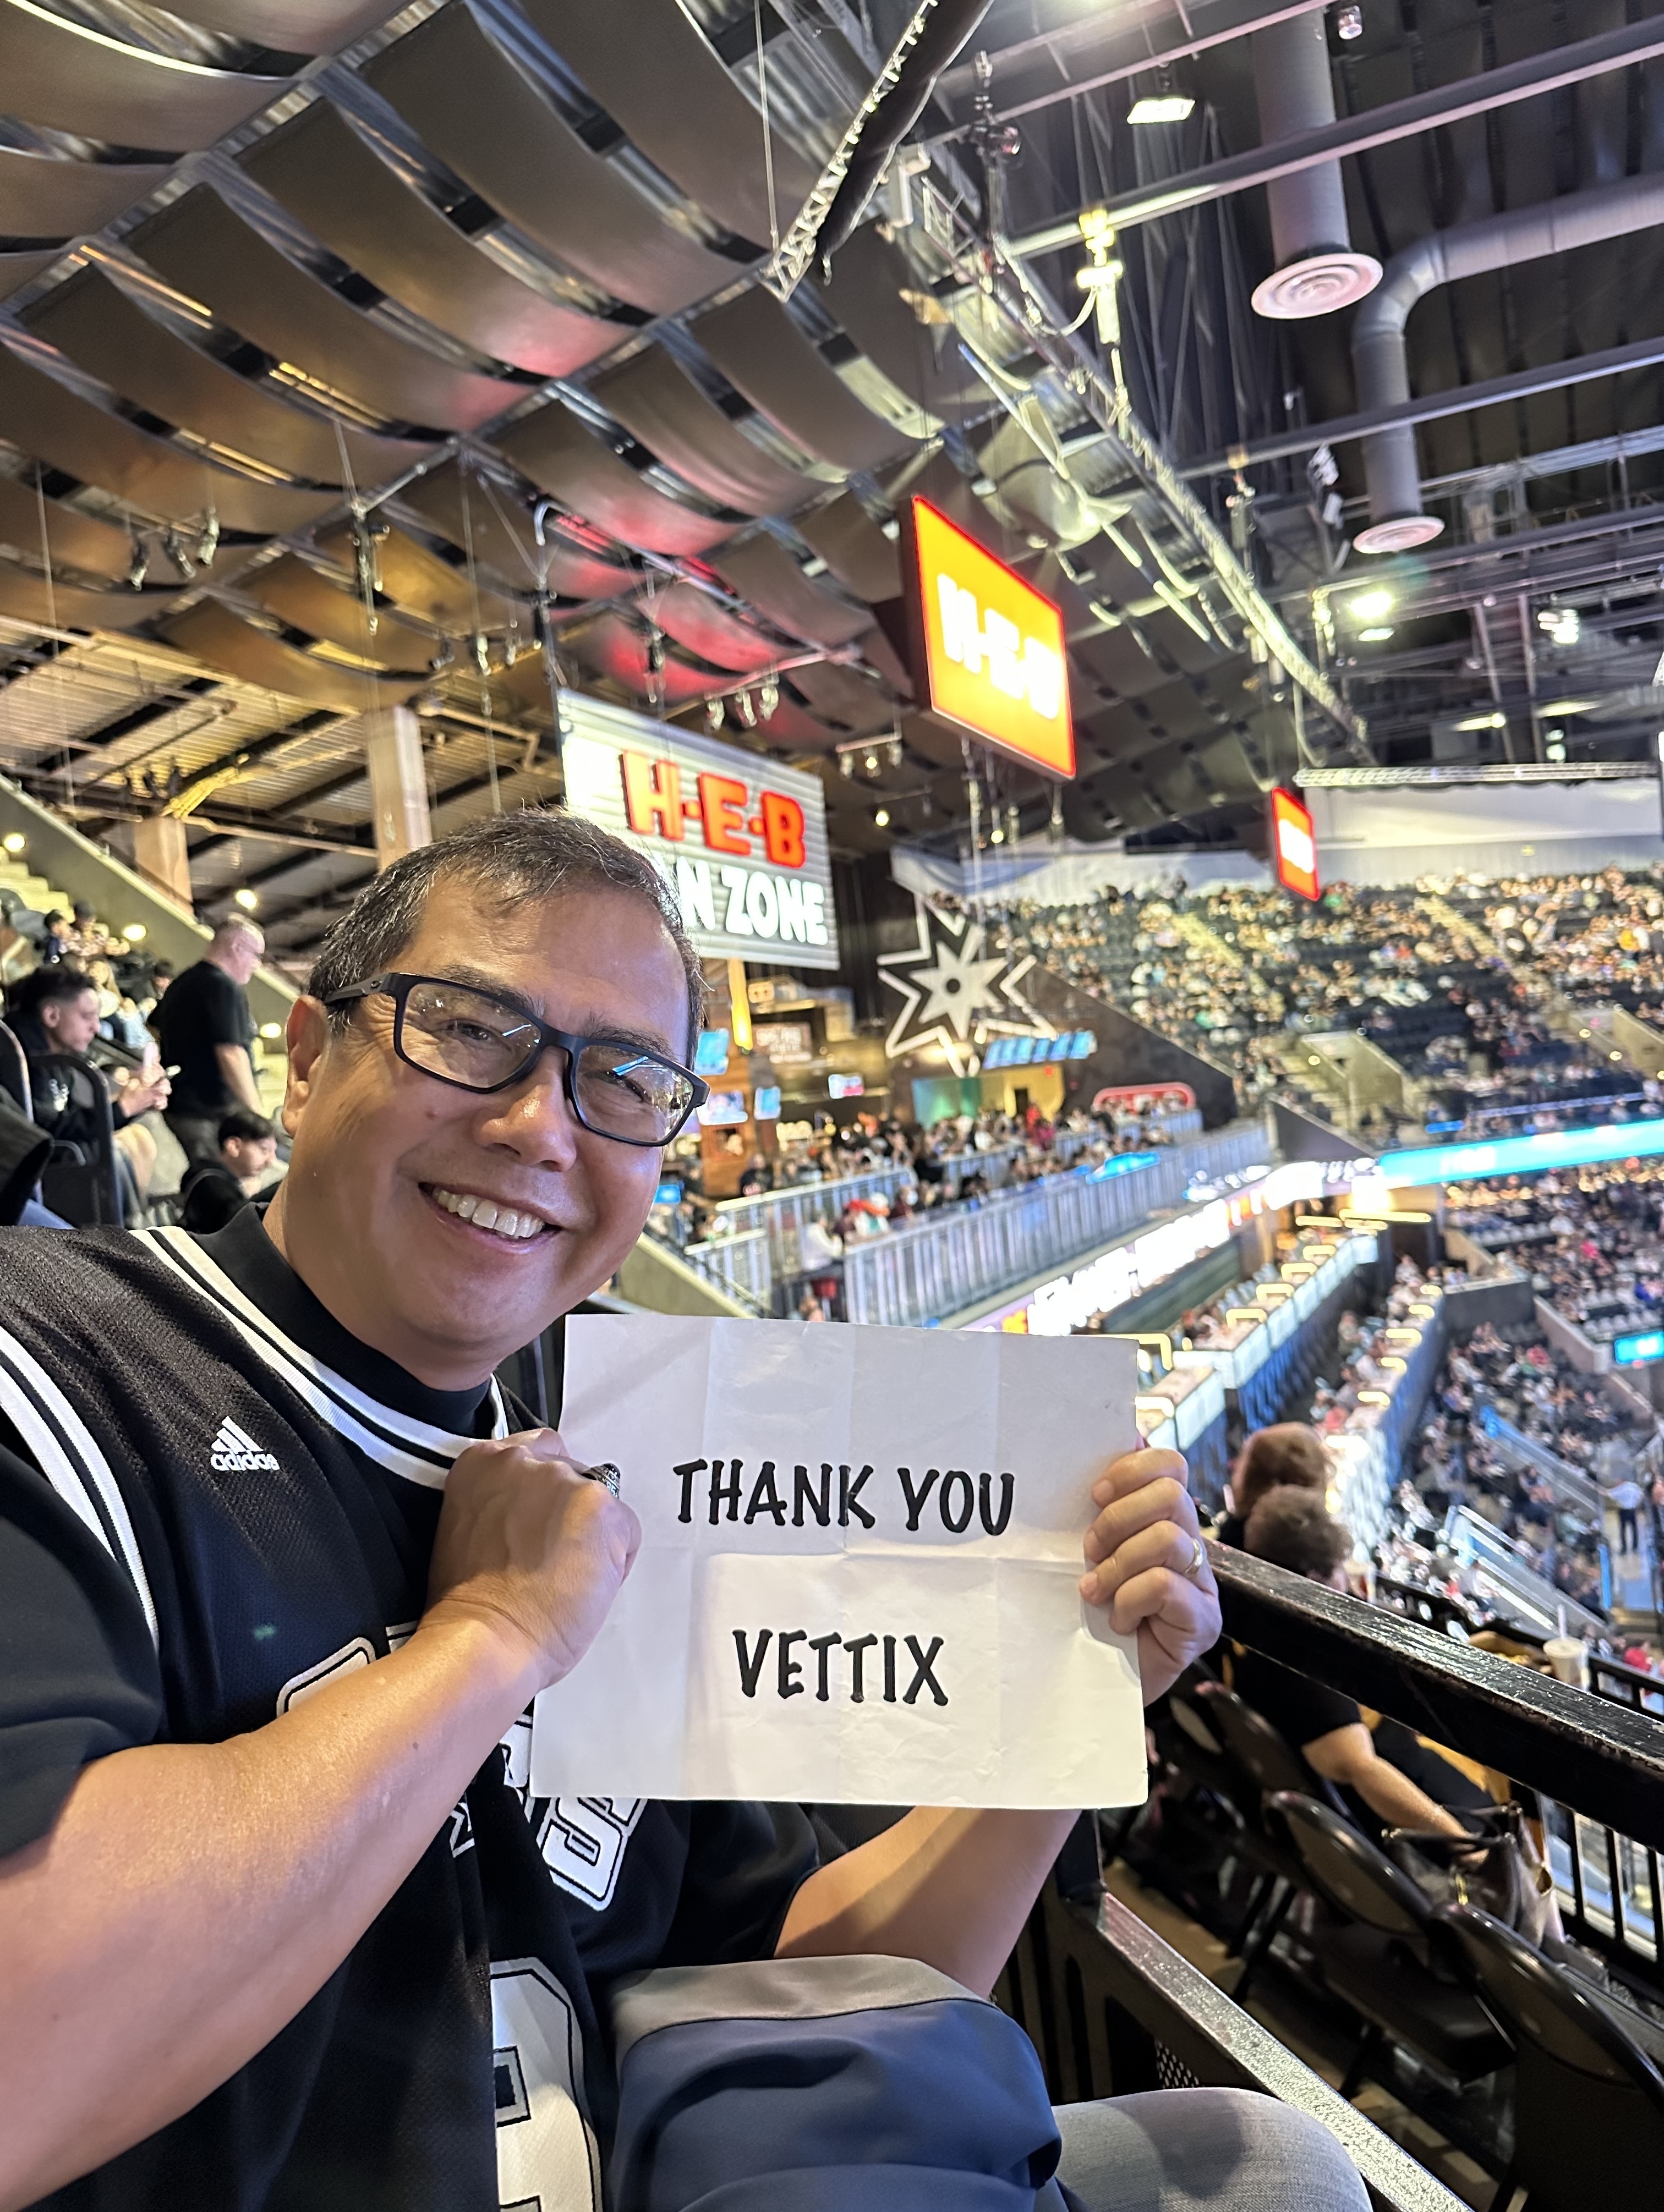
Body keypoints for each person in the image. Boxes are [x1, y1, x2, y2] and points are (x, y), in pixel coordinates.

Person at [0, 812, 1361, 2212]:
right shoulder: (58, 1367)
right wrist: (493, 1635)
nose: (539, 1127)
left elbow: (821, 1995)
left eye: (625, 1080)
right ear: (306, 1057)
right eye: (467, 1030)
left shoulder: (628, 1458)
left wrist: (1069, 1710)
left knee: (1279, 2164)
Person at [1234, 1488, 1492, 1837]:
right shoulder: (1305, 1662)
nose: (1346, 1580)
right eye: (1339, 1569)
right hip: (1402, 1809)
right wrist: (1468, 1846)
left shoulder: (1257, 1615)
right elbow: (1364, 1769)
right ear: (1315, 1579)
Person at [154, 913, 266, 1162]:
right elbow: (231, 1053)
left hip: (181, 1106)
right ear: (237, 948)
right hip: (210, 1112)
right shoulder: (224, 987)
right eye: (256, 955)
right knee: (221, 1180)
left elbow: (154, 1025)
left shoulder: (183, 981)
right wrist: (257, 1114)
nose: (257, 965)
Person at [1212, 1421, 1330, 1550]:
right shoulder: (1316, 1544)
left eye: (1243, 1458)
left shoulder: (1231, 1542)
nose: (1235, 1465)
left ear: (1251, 1478)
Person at [176, 1106, 280, 1233]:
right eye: (264, 1150)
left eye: (274, 1152)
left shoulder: (220, 1180)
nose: (271, 1160)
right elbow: (233, 1223)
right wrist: (281, 1189)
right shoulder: (208, 1180)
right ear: (234, 1146)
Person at [1610, 1475, 1646, 1555]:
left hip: (1624, 1511)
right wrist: (1638, 1505)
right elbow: (1642, 1495)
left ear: (1621, 1481)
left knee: (1623, 1530)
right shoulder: (1634, 1486)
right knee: (1634, 1529)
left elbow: (1609, 1493)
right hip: (1632, 1510)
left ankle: (1624, 1548)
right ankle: (1635, 1547)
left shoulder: (1621, 1489)